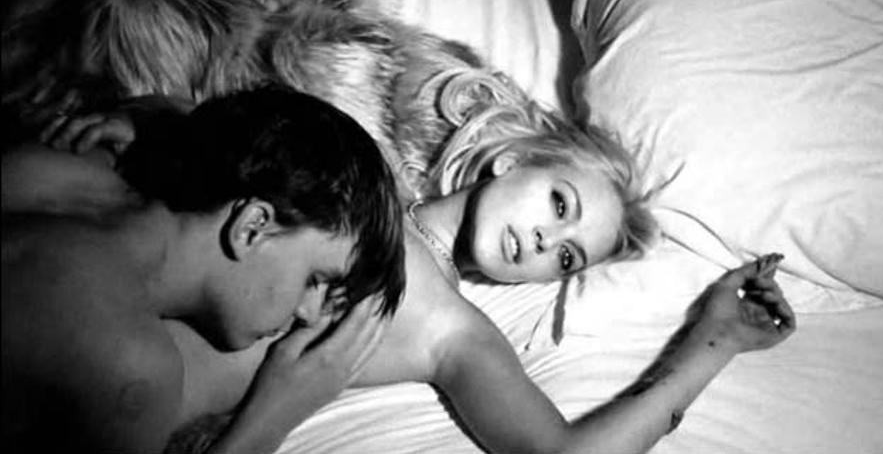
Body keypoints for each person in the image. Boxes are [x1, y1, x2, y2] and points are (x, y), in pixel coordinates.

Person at [30, 88, 796, 454]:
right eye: (559, 203)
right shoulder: (353, 159)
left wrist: (712, 341)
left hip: (96, 414)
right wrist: (145, 120)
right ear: (514, 159)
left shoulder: (449, 327)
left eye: (566, 257)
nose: (544, 240)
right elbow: (243, 141)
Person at [1, 86, 407, 454]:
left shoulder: (55, 161)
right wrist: (273, 417)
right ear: (251, 228)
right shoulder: (128, 370)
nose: (309, 314)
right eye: (315, 279)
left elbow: (218, 119)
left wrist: (144, 114)